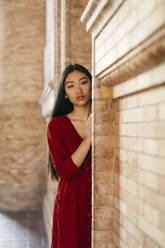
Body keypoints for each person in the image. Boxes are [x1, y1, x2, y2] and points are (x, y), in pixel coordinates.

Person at [47, 64, 92, 248]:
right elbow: (65, 171)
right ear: (65, 93)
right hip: (71, 204)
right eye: (70, 86)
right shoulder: (56, 126)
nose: (78, 90)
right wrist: (90, 138)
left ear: (91, 84)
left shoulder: (106, 116)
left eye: (83, 82)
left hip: (101, 199)